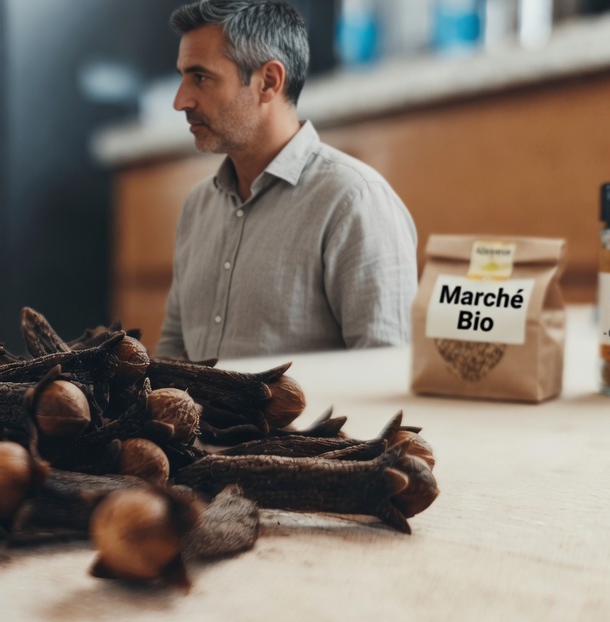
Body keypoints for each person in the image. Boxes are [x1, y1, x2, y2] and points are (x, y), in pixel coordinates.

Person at [157, 0, 418, 361]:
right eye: (182, 76)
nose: (180, 100)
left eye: (200, 77)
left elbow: (385, 372)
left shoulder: (354, 201)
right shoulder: (198, 205)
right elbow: (173, 351)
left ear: (269, 81)